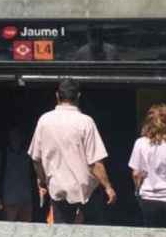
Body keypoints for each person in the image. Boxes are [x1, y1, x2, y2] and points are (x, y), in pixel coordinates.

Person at [28, 78, 116, 224]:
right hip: (86, 195)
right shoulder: (85, 122)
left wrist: (43, 181)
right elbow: (95, 164)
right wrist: (108, 187)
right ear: (78, 96)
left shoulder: (44, 121)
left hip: (58, 191)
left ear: (57, 96)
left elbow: (36, 158)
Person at [0, 124, 35, 222]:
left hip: (26, 199)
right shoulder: (3, 154)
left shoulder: (28, 154)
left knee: (26, 230)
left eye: (18, 135)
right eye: (13, 135)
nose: (15, 138)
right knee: (9, 229)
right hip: (9, 200)